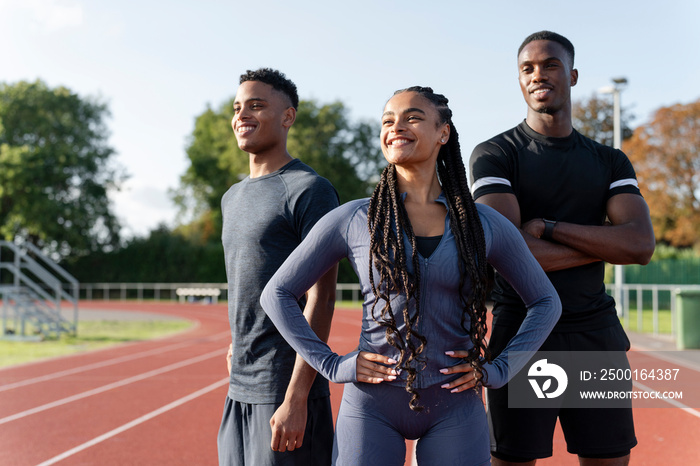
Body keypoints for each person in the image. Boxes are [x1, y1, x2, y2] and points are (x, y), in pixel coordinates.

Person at [261, 86, 561, 466]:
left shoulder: (482, 224)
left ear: (443, 133)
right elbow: (278, 293)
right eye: (388, 120)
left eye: (412, 117)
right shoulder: (354, 219)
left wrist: (500, 370)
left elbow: (545, 301)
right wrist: (332, 365)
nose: (396, 127)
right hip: (371, 405)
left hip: (456, 405)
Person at [469, 31, 656, 466]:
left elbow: (641, 244)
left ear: (571, 75)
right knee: (512, 461)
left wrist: (549, 228)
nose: (539, 75)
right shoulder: (495, 154)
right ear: (519, 82)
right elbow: (507, 252)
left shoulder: (609, 161)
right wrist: (606, 243)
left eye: (550, 65)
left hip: (596, 334)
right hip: (523, 334)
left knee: (608, 460)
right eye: (527, 69)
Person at [217, 68, 340, 466]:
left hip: (284, 386)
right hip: (240, 384)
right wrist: (237, 341)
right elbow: (244, 280)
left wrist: (297, 396)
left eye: (256, 105)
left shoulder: (310, 190)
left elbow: (322, 297)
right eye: (237, 108)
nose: (242, 116)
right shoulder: (232, 198)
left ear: (287, 116)